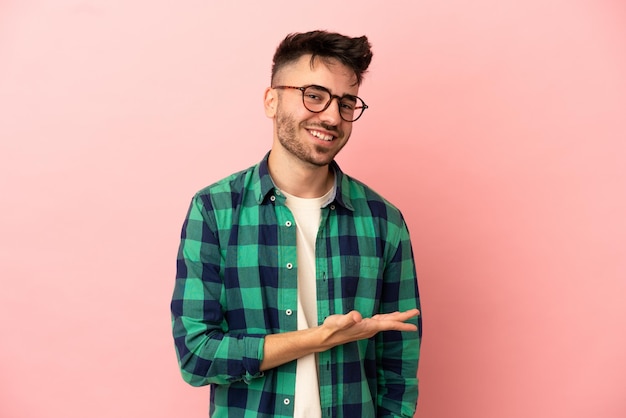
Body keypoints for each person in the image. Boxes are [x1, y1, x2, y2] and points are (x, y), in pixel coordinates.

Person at [171, 30, 422, 418]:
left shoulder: (383, 221)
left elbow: (398, 371)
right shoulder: (215, 210)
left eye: (346, 103)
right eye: (315, 96)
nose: (332, 117)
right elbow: (196, 355)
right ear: (271, 100)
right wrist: (318, 339)